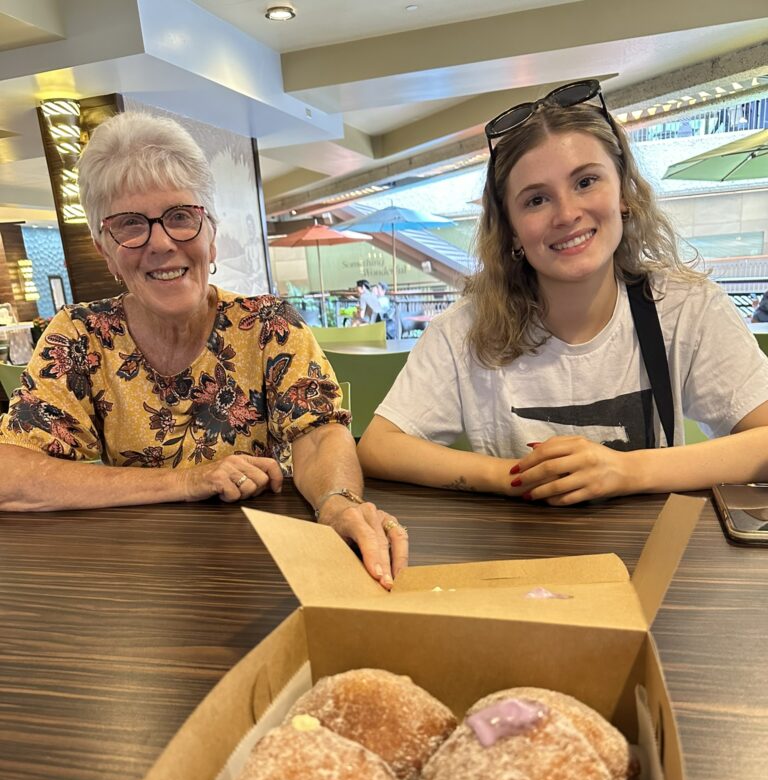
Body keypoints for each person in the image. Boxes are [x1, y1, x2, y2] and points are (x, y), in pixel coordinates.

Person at [0, 111, 407, 587]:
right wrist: (189, 480)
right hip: (135, 576)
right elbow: (12, 473)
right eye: (131, 225)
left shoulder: (266, 324)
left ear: (211, 235)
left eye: (180, 218)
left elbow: (317, 435)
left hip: (263, 569)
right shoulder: (80, 335)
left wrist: (339, 501)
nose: (161, 243)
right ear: (105, 250)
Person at [358, 80, 768, 504]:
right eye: (536, 200)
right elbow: (379, 447)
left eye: (586, 182)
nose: (568, 214)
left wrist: (628, 470)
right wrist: (511, 476)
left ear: (624, 192)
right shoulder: (462, 331)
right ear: (511, 229)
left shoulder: (687, 308)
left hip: (654, 558)